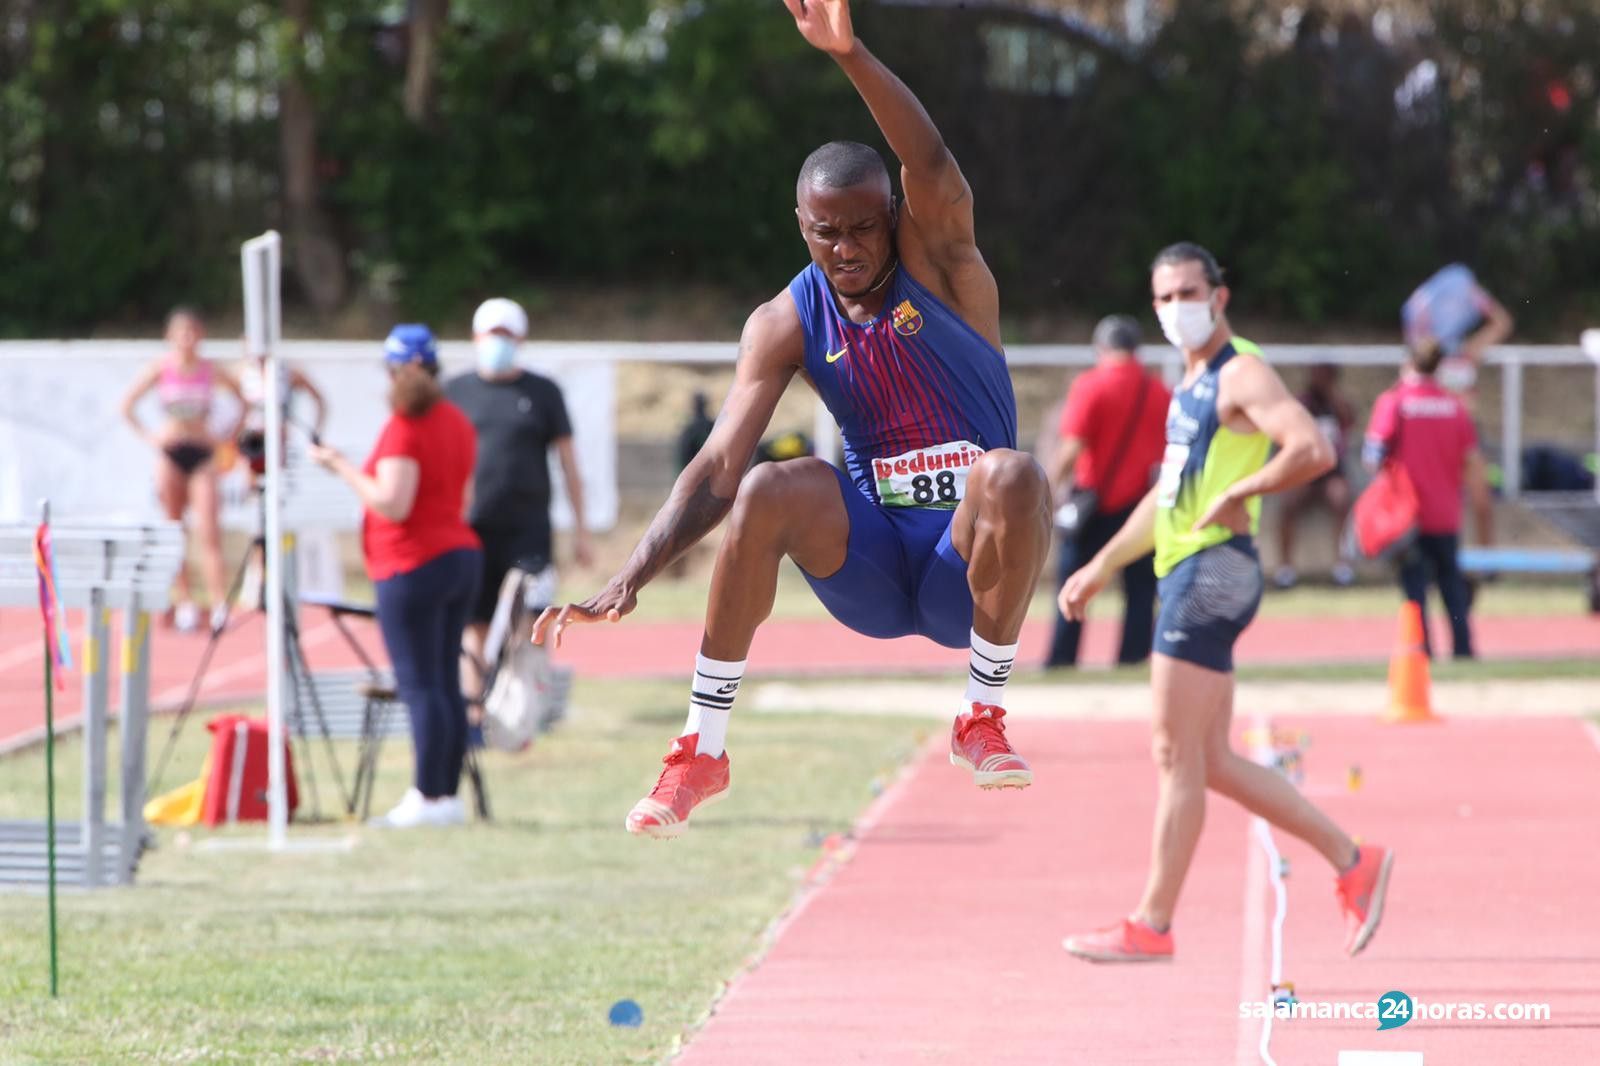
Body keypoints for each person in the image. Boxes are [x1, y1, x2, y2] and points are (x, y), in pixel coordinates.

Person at [534, 0, 1051, 838]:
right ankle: (701, 750)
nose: (845, 249)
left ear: (894, 217)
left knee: (1013, 473)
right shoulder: (784, 321)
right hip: (874, 566)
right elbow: (716, 468)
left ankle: (981, 716)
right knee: (770, 483)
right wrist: (630, 576)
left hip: (965, 571)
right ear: (800, 227)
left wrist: (849, 55)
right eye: (825, 233)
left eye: (863, 229)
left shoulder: (944, 264)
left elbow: (929, 161)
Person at [1059, 243, 1392, 962]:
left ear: (1219, 297)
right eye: (1164, 297)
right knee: (1207, 759)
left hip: (1211, 571)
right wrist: (1102, 563)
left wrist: (1246, 489)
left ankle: (1152, 924)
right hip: (1191, 566)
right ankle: (1351, 860)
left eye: (1189, 293)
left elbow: (1311, 448)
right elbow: (1168, 496)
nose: (1176, 307)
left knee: (1173, 751)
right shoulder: (1191, 384)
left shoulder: (1240, 370)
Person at [310, 325, 482, 829]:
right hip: (457, 555)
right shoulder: (457, 420)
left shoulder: (405, 427)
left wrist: (341, 467)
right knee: (443, 682)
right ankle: (444, 796)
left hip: (413, 563)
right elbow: (464, 498)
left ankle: (427, 795)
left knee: (421, 684)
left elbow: (392, 502)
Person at [445, 297, 591, 704]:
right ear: (476, 337)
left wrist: (581, 531)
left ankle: (521, 714)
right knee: (474, 622)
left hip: (529, 530)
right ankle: (474, 710)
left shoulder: (543, 392)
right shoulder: (455, 392)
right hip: (472, 528)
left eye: (506, 334)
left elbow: (569, 465)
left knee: (530, 622)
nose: (498, 342)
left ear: (520, 339)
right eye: (491, 334)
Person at [1045, 315, 1168, 668]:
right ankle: (1132, 658)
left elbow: (1072, 447)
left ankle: (1063, 659)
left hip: (1092, 502)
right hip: (1139, 504)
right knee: (1140, 590)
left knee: (1074, 583)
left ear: (1101, 347)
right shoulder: (1159, 390)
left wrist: (1048, 488)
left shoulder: (1090, 385)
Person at [121, 307, 246, 633]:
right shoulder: (160, 368)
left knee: (209, 530)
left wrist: (225, 437)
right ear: (170, 336)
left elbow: (243, 402)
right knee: (175, 530)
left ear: (200, 335)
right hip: (171, 453)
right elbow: (126, 406)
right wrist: (152, 437)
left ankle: (219, 602)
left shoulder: (211, 369)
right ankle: (185, 601)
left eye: (192, 332)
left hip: (202, 453)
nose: (187, 339)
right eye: (181, 333)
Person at [1363, 340, 1482, 659]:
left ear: (1408, 363)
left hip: (1408, 513)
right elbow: (1470, 459)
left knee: (1414, 585)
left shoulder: (1395, 401)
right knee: (1450, 583)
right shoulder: (1455, 406)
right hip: (1446, 511)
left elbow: (1372, 456)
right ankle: (1463, 647)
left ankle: (1420, 648)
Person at [1401, 263, 1509, 547]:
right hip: (1433, 437)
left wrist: (1478, 299)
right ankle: (1423, 558)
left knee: (1481, 501)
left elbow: (1502, 323)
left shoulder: (1467, 353)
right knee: (1428, 504)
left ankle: (1486, 562)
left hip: (1465, 435)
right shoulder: (1423, 363)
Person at [1273, 362, 1356, 589]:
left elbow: (1349, 420)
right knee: (1289, 504)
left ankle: (1343, 566)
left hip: (1332, 471)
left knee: (1342, 500)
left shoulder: (1338, 403)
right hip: (1305, 470)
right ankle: (1285, 569)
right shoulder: (1302, 403)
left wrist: (1332, 395)